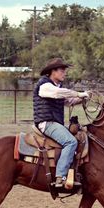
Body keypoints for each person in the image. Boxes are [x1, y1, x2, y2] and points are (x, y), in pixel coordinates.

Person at [33, 58, 89, 187]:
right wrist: (79, 93)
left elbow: (68, 101)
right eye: (62, 71)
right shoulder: (45, 85)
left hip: (54, 123)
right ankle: (60, 176)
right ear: (53, 71)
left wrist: (83, 98)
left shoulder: (57, 87)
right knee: (71, 141)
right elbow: (58, 94)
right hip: (46, 123)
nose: (65, 73)